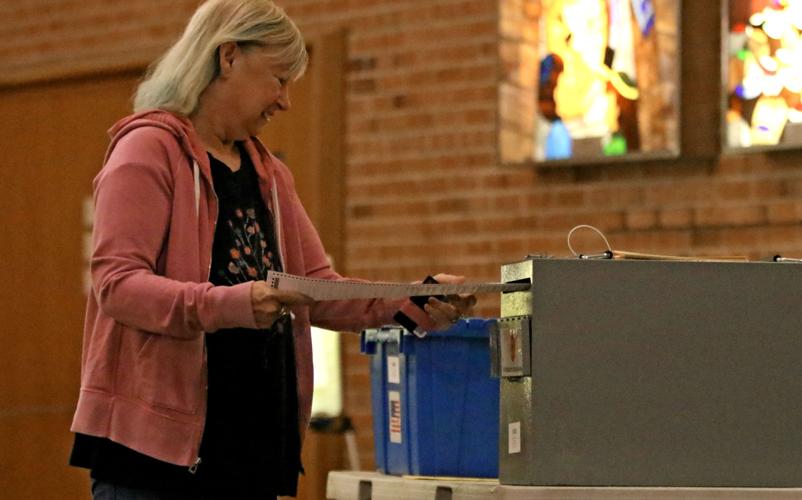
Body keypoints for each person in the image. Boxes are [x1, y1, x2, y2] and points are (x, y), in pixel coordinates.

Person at [68, 1, 475, 499]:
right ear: (229, 57)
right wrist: (234, 304)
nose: (285, 101)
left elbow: (317, 289)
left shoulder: (270, 174)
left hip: (251, 454)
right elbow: (118, 286)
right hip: (157, 464)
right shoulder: (148, 149)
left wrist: (415, 301)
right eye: (279, 79)